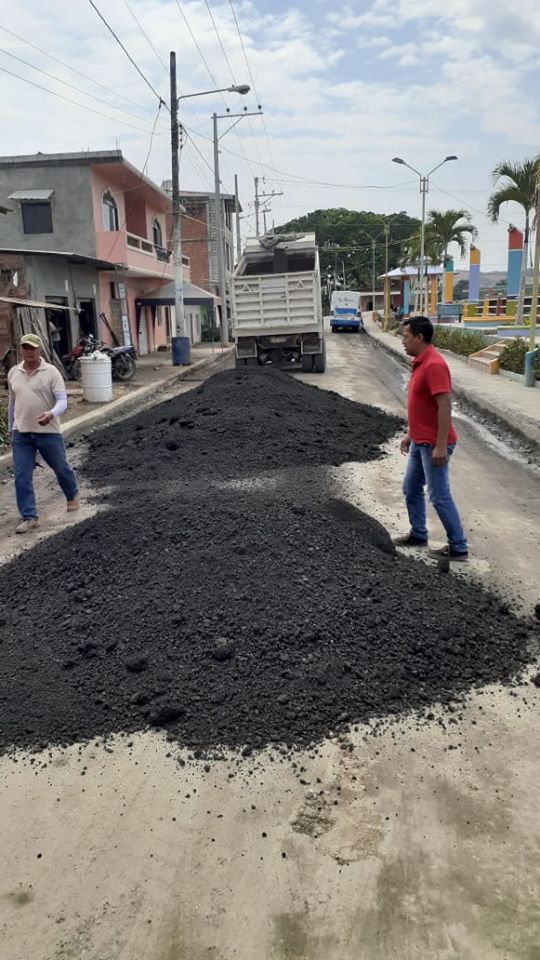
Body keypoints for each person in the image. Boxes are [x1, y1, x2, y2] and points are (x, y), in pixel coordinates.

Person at [394, 316, 468, 561]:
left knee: (438, 495)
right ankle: (418, 533)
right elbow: (422, 407)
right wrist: (410, 434)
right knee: (411, 488)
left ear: (419, 337)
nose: (402, 341)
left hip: (434, 443)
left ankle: (458, 546)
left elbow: (444, 405)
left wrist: (440, 446)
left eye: (406, 336)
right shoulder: (420, 362)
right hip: (420, 441)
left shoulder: (434, 365)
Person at [7, 333, 80, 534]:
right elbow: (12, 403)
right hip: (21, 434)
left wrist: (51, 413)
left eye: (33, 348)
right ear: (21, 349)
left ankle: (72, 493)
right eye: (25, 348)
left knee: (61, 468)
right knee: (21, 475)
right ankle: (29, 516)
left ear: (39, 350)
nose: (29, 352)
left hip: (48, 432)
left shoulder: (51, 372)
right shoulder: (14, 372)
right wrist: (11, 428)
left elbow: (62, 401)